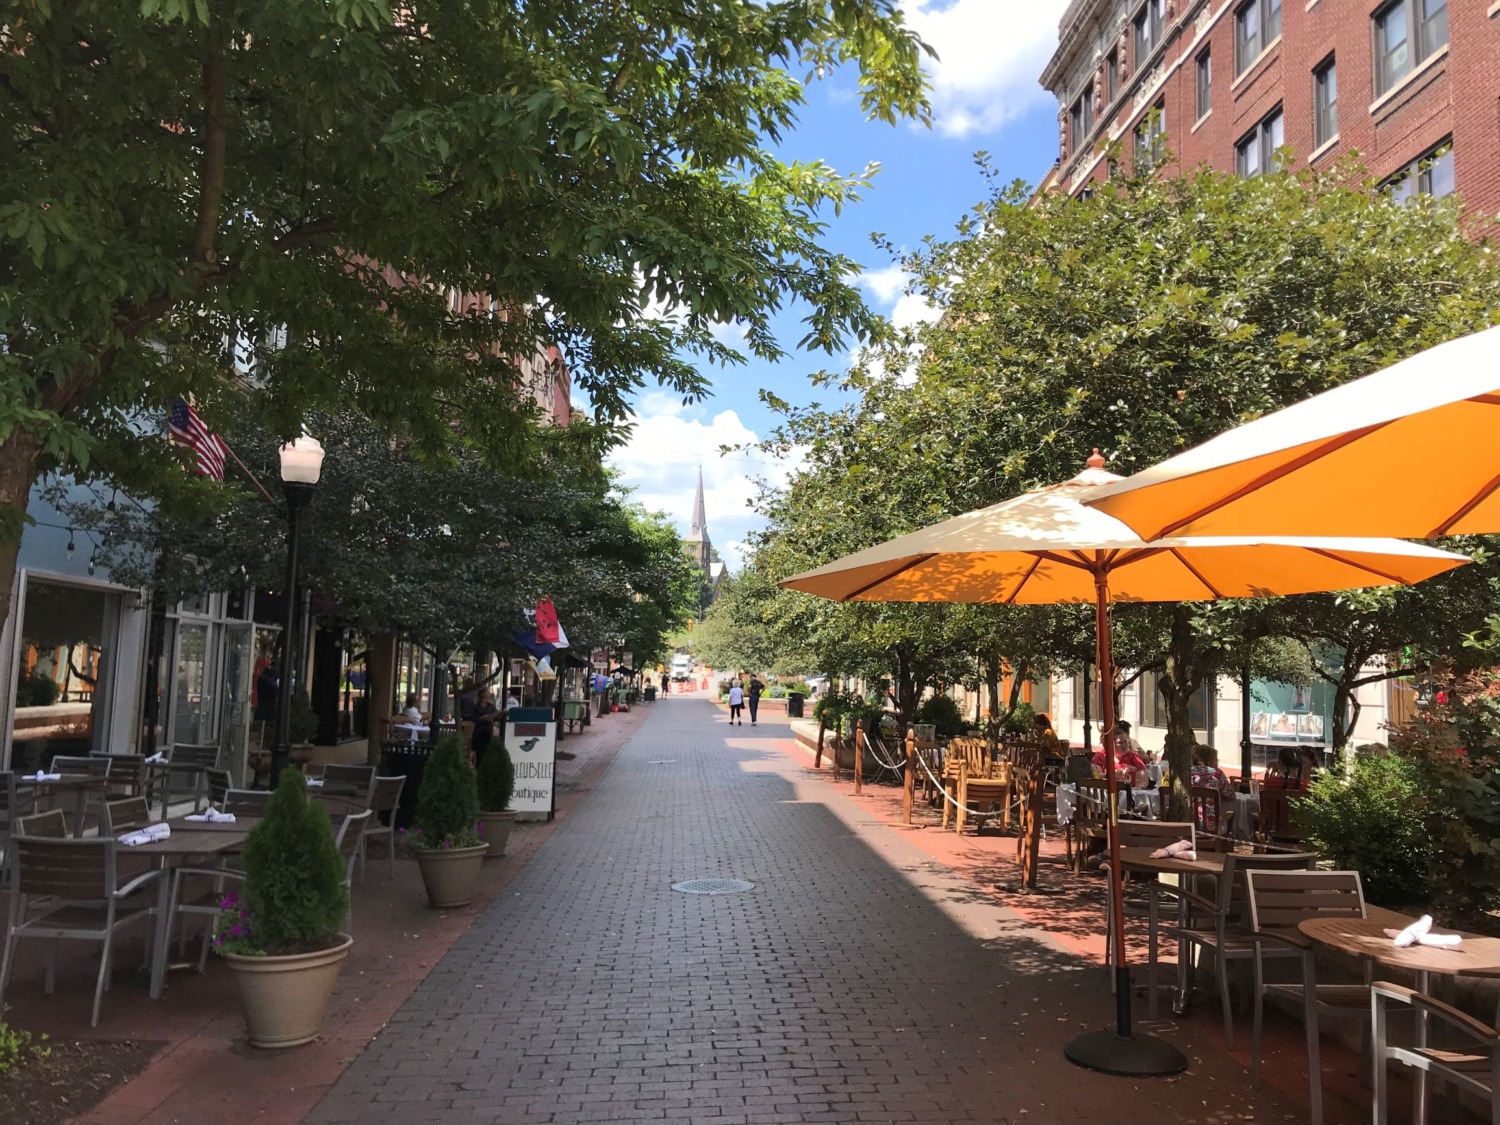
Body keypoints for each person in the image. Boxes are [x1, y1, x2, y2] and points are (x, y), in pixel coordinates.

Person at [1190, 744, 1236, 833]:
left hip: (1188, 824)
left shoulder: (1186, 773)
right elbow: (1231, 795)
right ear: (1209, 761)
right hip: (1211, 826)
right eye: (1216, 759)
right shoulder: (1216, 774)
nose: (1217, 762)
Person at [471, 689, 498, 765]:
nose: (489, 694)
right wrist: (482, 718)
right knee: (480, 753)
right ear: (482, 694)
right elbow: (473, 718)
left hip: (488, 731)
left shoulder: (491, 706)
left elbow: (495, 716)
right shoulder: (476, 707)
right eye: (488, 692)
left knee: (488, 752)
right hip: (479, 732)